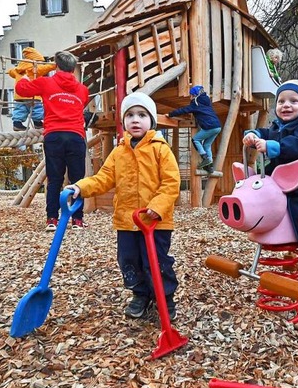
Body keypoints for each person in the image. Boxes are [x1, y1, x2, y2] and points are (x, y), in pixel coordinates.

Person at [66, 92, 181, 320]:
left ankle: (164, 298)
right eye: (129, 115)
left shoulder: (160, 149)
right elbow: (103, 178)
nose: (135, 120)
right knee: (129, 260)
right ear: (123, 121)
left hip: (155, 222)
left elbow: (171, 182)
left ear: (151, 121)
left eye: (141, 115)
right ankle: (140, 294)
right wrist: (80, 187)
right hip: (127, 221)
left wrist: (157, 206)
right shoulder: (119, 152)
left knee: (156, 261)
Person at [242, 79, 298, 272]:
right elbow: (263, 132)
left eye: (294, 101)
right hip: (276, 179)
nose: (286, 105)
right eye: (281, 101)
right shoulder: (276, 127)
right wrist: (252, 134)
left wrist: (273, 146)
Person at [16, 51, 89, 231]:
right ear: (73, 68)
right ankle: (77, 220)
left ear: (56, 66)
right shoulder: (82, 89)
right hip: (75, 135)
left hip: (54, 135)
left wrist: (25, 75)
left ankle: (52, 219)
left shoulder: (46, 82)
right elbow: (83, 103)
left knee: (54, 178)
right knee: (77, 179)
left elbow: (21, 90)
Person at [167, 85, 221, 172]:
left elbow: (184, 110)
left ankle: (204, 157)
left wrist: (170, 114)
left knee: (195, 140)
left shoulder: (195, 104)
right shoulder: (206, 102)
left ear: (195, 95)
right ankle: (209, 166)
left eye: (191, 95)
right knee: (207, 145)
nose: (190, 97)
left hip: (210, 126)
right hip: (217, 126)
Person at [8, 47, 57, 131]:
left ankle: (17, 123)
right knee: (37, 109)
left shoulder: (18, 68)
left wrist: (10, 71)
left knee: (20, 109)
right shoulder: (34, 68)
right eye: (40, 62)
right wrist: (54, 65)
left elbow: (11, 72)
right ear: (35, 60)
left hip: (19, 96)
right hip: (32, 95)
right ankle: (37, 122)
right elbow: (44, 69)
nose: (41, 64)